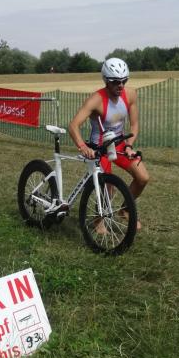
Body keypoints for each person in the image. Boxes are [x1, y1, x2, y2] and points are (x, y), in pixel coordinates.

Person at [68, 57, 150, 230]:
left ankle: (125, 209)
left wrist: (129, 145)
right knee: (109, 187)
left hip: (119, 143)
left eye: (124, 81)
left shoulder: (130, 94)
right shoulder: (95, 100)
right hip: (99, 147)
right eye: (115, 82)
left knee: (143, 178)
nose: (120, 85)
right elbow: (73, 125)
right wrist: (83, 147)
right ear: (106, 80)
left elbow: (134, 125)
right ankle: (99, 219)